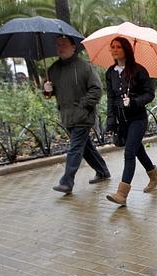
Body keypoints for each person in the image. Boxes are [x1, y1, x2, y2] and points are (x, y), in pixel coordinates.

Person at [43, 35, 110, 194]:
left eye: (64, 44)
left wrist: (83, 106)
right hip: (66, 117)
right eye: (58, 44)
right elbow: (49, 93)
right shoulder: (52, 69)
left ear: (74, 47)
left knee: (75, 149)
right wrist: (46, 90)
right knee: (85, 147)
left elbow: (97, 89)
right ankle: (103, 171)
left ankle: (67, 182)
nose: (60, 47)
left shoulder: (84, 67)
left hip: (83, 116)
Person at [104, 37, 157, 206]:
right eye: (112, 47)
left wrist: (134, 101)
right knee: (138, 150)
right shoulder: (110, 72)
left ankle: (122, 194)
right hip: (122, 120)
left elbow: (149, 94)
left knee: (129, 152)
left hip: (138, 119)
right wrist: (111, 119)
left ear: (126, 49)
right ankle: (154, 176)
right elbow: (110, 98)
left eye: (118, 47)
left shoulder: (139, 70)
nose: (114, 50)